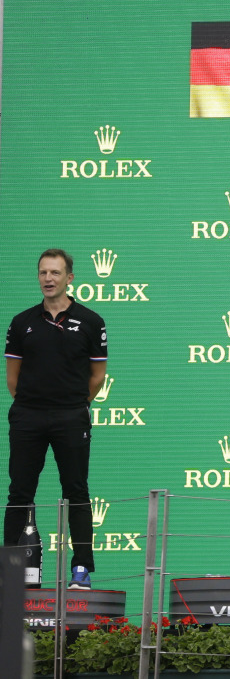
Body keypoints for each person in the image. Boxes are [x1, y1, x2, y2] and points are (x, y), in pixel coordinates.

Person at [4, 249, 107, 590]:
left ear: (69, 278)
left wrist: (70, 405)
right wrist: (36, 406)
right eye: (43, 273)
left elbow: (97, 377)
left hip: (70, 417)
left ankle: (81, 570)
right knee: (19, 492)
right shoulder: (22, 322)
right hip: (28, 417)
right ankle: (9, 569)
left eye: (55, 273)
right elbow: (13, 379)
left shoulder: (91, 321)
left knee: (76, 491)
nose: (48, 278)